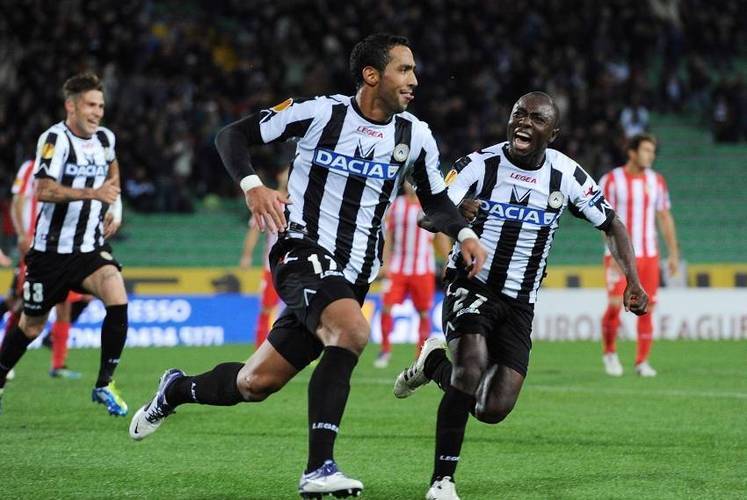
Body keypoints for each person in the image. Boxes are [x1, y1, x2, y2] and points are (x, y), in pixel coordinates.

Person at [128, 33, 486, 498]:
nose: (414, 79)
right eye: (404, 69)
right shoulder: (319, 114)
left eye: (414, 70)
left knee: (255, 383)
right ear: (371, 75)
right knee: (352, 331)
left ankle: (175, 389)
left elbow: (435, 201)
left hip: (354, 275)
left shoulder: (414, 136)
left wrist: (464, 234)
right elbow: (231, 135)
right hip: (301, 249)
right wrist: (253, 186)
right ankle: (319, 468)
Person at [393, 92, 649, 500]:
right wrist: (458, 215)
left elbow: (612, 223)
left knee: (492, 408)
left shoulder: (566, 175)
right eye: (518, 114)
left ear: (553, 132)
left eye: (536, 118)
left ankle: (434, 363)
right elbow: (430, 213)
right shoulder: (479, 165)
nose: (524, 122)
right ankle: (442, 482)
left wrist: (633, 281)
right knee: (470, 367)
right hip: (471, 285)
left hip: (519, 302)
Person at [0, 73, 129, 416]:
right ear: (71, 106)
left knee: (117, 296)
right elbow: (43, 190)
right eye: (90, 105)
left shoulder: (105, 139)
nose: (97, 112)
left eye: (100, 106)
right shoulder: (54, 139)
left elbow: (113, 169)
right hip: (50, 253)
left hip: (88, 248)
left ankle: (104, 384)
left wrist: (115, 207)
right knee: (31, 325)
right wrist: (93, 193)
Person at [4, 156, 94, 380]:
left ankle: (58, 365)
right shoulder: (31, 168)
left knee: (67, 302)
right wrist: (22, 234)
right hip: (36, 246)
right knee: (20, 303)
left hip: (61, 246)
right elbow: (18, 201)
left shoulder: (68, 168)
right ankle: (5, 358)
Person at [599, 133, 679, 377]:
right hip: (620, 256)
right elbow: (603, 220)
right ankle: (610, 352)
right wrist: (613, 253)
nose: (650, 155)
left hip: (649, 254)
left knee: (647, 307)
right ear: (632, 152)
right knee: (615, 305)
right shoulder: (611, 180)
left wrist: (673, 253)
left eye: (652, 151)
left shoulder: (657, 181)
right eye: (646, 150)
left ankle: (642, 361)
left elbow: (664, 217)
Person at [375, 180, 450, 368]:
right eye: (409, 181)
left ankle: (420, 355)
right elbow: (388, 236)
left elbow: (440, 235)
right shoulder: (396, 205)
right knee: (386, 307)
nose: (411, 185)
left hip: (422, 269)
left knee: (423, 312)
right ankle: (385, 351)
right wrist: (385, 262)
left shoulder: (430, 206)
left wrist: (448, 261)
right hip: (398, 267)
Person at [239, 168, 288, 348]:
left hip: (297, 266)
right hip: (272, 267)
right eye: (286, 171)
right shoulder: (268, 200)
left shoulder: (302, 201)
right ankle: (259, 350)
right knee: (267, 308)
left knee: (303, 309)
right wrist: (247, 256)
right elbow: (254, 231)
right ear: (279, 175)